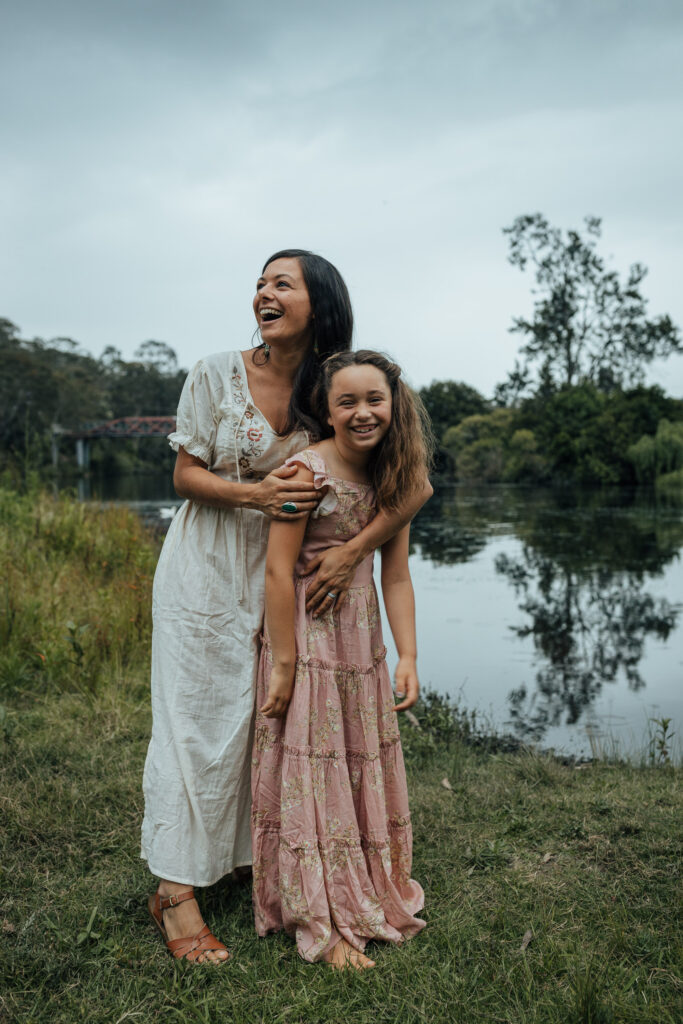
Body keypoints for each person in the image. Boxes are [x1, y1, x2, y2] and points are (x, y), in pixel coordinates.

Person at [142, 253, 432, 964]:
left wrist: (352, 550)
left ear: (319, 303)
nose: (263, 294)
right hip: (209, 566)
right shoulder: (215, 373)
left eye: (282, 284)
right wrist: (257, 494)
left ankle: (253, 856)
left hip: (291, 583)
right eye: (260, 284)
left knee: (264, 720)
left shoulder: (332, 389)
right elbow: (184, 475)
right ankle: (174, 893)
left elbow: (409, 488)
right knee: (195, 721)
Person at [251, 349, 433, 970]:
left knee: (355, 760)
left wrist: (408, 654)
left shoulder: (393, 475)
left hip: (360, 641)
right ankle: (320, 918)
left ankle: (366, 884)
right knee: (314, 765)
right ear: (327, 412)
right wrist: (284, 661)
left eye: (374, 399)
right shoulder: (306, 473)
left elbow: (397, 575)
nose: (362, 413)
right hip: (306, 637)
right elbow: (278, 572)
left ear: (394, 405)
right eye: (346, 402)